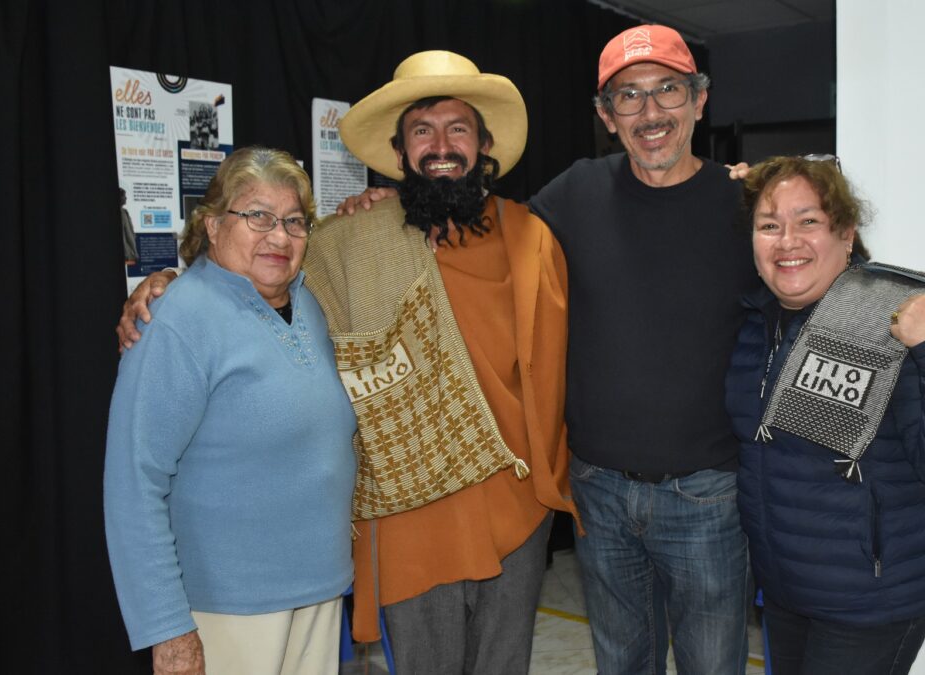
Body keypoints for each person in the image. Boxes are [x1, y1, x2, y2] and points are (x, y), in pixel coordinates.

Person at [118, 52, 576, 674]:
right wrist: (165, 282)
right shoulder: (351, 246)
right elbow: (240, 276)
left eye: (458, 129)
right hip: (412, 523)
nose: (441, 146)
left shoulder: (532, 238)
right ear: (399, 151)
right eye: (422, 131)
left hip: (519, 512)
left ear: (485, 144)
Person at [336, 25, 758, 674]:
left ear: (700, 101)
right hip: (571, 495)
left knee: (710, 662)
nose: (649, 113)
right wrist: (165, 284)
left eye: (667, 90)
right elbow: (284, 302)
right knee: (617, 661)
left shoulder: (742, 207)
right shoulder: (570, 198)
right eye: (628, 97)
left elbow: (817, 266)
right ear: (605, 117)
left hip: (674, 495)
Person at [727, 155, 925, 675]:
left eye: (808, 221)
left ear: (847, 234)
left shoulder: (891, 321)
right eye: (769, 225)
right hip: (787, 593)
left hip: (874, 599)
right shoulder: (754, 323)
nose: (787, 240)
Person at [104, 146, 356, 675]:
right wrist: (167, 630)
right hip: (227, 611)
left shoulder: (306, 304)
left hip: (318, 595)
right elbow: (133, 483)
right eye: (258, 216)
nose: (280, 236)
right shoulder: (175, 320)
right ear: (213, 225)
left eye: (293, 221)